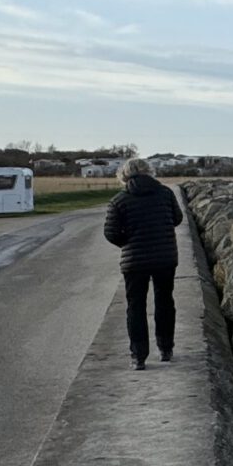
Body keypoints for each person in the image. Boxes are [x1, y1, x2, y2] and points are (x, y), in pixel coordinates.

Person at [102, 157, 184, 369]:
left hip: (134, 262)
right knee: (165, 301)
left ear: (124, 175)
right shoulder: (165, 193)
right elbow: (177, 219)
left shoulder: (119, 200)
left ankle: (138, 356)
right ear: (149, 172)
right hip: (165, 257)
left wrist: (127, 242)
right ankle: (166, 348)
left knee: (135, 306)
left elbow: (110, 233)